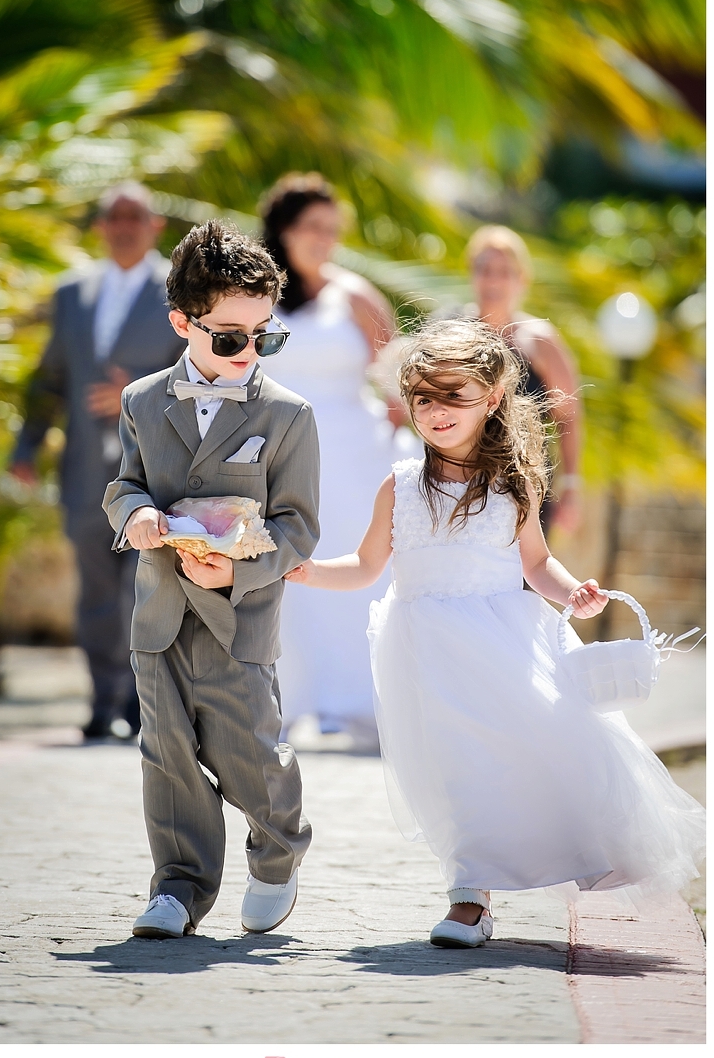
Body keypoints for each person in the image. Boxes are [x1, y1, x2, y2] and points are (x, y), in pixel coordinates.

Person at [287, 319, 705, 948]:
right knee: (455, 770)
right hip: (423, 649)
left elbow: (535, 563)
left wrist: (574, 593)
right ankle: (469, 898)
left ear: (489, 398)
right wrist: (308, 570)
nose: (438, 411)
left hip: (501, 643)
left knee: (537, 752)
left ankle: (586, 843)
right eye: (424, 397)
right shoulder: (398, 485)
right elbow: (369, 565)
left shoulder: (511, 484)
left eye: (455, 395)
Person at [104, 220, 320, 940]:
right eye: (229, 336)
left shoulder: (290, 415)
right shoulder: (141, 401)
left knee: (247, 752)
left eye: (266, 335)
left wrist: (237, 565)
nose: (249, 350)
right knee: (164, 752)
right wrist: (134, 513)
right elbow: (125, 485)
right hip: (160, 611)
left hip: (239, 617)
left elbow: (298, 528)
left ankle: (279, 849)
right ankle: (178, 887)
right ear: (182, 322)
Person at [12, 181, 185, 739]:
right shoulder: (71, 293)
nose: (125, 226)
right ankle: (100, 698)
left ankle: (139, 702)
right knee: (95, 594)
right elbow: (50, 378)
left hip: (156, 470)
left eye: (136, 215)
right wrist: (26, 447)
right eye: (114, 216)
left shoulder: (180, 293)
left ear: (155, 225)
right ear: (100, 227)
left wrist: (132, 392)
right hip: (86, 470)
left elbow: (199, 375)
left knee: (148, 586)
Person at [259, 172, 409, 750]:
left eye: (331, 228)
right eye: (310, 227)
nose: (323, 238)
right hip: (277, 455)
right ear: (283, 230)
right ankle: (290, 700)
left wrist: (398, 412)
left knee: (355, 571)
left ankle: (358, 701)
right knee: (284, 577)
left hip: (354, 460)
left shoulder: (356, 295)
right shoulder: (256, 297)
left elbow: (398, 373)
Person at [465, 225, 581, 534]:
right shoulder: (455, 334)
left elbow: (567, 415)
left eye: (504, 271)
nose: (493, 279)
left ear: (521, 279)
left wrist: (571, 486)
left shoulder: (540, 340)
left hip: (525, 488)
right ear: (472, 274)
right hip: (463, 484)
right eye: (485, 269)